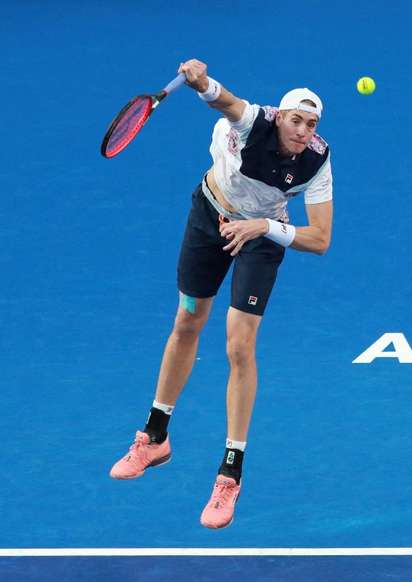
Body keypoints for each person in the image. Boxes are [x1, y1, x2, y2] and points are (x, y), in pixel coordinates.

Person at [109, 58, 333, 529]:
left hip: (261, 235)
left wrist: (265, 226)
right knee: (187, 320)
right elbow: (226, 100)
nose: (302, 130)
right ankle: (154, 437)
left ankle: (230, 473)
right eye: (296, 120)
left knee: (239, 345)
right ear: (281, 117)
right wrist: (200, 81)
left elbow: (320, 239)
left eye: (311, 124)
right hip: (209, 219)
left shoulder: (316, 158)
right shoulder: (255, 122)